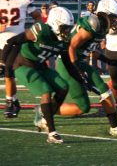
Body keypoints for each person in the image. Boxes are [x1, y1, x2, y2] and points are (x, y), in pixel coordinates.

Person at [36, 0, 117, 137]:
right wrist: (78, 72)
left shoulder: (100, 26)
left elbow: (88, 48)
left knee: (103, 93)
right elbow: (72, 47)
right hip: (68, 64)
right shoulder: (92, 25)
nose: (116, 20)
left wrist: (107, 60)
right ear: (104, 14)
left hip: (80, 62)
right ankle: (44, 112)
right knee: (82, 106)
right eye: (113, 17)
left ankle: (114, 127)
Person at [2, 7, 77, 143]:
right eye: (64, 27)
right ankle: (52, 132)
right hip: (24, 64)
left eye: (68, 28)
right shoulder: (41, 30)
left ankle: (43, 119)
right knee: (46, 91)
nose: (67, 31)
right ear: (54, 23)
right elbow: (13, 41)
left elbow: (68, 63)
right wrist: (3, 61)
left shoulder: (63, 40)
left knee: (63, 87)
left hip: (40, 66)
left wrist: (82, 80)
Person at [0, 0, 41, 118]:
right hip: (1, 41)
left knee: (8, 71)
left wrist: (32, 33)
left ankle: (10, 102)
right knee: (7, 72)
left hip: (17, 40)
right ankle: (14, 101)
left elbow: (38, 17)